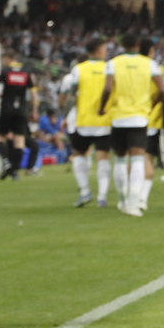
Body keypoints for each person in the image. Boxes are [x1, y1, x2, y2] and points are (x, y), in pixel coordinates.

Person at [99, 33, 164, 217]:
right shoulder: (150, 64)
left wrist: (102, 107)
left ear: (121, 44)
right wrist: (151, 105)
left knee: (120, 160)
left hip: (118, 116)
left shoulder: (113, 63)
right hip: (139, 117)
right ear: (137, 44)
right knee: (137, 159)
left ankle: (122, 200)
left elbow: (108, 88)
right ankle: (134, 203)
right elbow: (162, 89)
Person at [59, 37, 112, 207]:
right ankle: (102, 196)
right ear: (99, 50)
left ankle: (84, 191)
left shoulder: (78, 69)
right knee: (103, 157)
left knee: (79, 154)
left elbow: (72, 93)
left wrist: (67, 115)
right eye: (104, 48)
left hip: (83, 120)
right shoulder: (109, 67)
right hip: (104, 119)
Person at [0, 50, 38, 180]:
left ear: (7, 58)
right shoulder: (26, 73)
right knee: (20, 141)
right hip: (21, 111)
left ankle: (6, 162)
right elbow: (34, 94)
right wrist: (34, 110)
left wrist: (0, 95)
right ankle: (15, 172)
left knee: (0, 137)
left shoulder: (5, 72)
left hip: (6, 109)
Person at [141, 37, 162, 209]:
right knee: (147, 158)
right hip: (151, 120)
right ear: (151, 52)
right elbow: (163, 90)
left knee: (132, 159)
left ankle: (129, 196)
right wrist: (152, 105)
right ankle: (141, 198)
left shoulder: (121, 66)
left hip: (126, 117)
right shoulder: (156, 68)